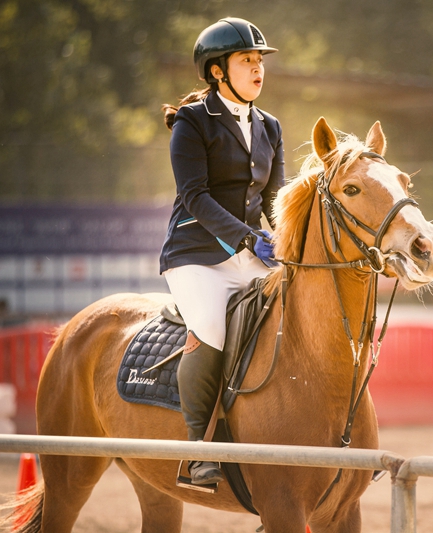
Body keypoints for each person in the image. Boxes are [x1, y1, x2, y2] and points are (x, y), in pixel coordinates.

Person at [159, 18, 284, 485]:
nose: (257, 68)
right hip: (195, 254)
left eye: (259, 61)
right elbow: (195, 196)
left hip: (251, 255)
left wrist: (288, 238)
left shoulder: (270, 126)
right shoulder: (193, 121)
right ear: (217, 71)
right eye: (246, 60)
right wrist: (249, 237)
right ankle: (198, 450)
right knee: (211, 325)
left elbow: (275, 198)